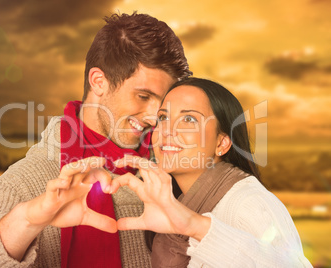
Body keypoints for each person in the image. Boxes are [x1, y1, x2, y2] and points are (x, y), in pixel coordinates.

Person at [0, 13, 192, 267]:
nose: (153, 117)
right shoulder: (27, 183)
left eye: (162, 105)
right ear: (99, 82)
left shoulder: (173, 176)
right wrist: (28, 220)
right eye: (143, 96)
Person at [111, 77, 313, 267]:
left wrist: (196, 226)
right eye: (163, 117)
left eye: (189, 119)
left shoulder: (248, 202)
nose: (167, 130)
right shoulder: (171, 204)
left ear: (222, 143)